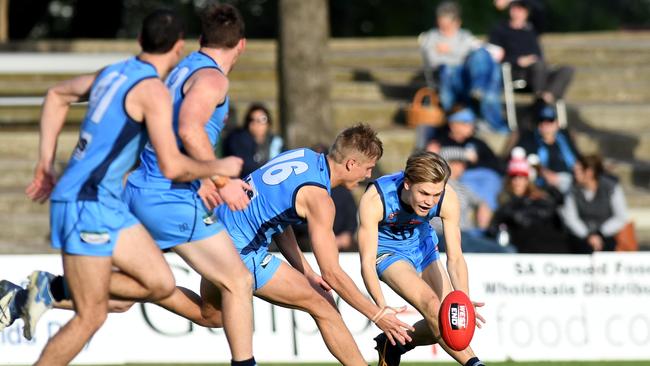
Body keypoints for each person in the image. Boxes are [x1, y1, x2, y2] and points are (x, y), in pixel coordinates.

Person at [3, 9, 244, 366]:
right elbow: (172, 165)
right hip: (86, 201)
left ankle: (46, 290)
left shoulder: (114, 73)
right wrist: (218, 170)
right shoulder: (153, 92)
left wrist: (45, 162)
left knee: (159, 284)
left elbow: (56, 95)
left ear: (139, 42)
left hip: (107, 200)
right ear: (179, 47)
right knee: (93, 314)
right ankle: (46, 292)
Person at [357, 151, 486, 366]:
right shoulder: (376, 199)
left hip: (424, 247)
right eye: (424, 193)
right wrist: (381, 308)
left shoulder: (448, 197)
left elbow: (455, 257)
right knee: (433, 306)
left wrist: (462, 299)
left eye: (436, 195)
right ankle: (474, 364)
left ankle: (395, 344)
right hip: (388, 252)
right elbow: (367, 262)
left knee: (450, 316)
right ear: (407, 183)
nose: (430, 202)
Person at [419, 1, 508, 133]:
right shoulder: (431, 37)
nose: (444, 26)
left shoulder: (464, 35)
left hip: (466, 76)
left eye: (448, 23)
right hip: (445, 78)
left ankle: (479, 89)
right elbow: (434, 61)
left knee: (483, 55)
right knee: (449, 70)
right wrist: (458, 54)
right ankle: (480, 102)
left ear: (456, 22)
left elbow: (474, 54)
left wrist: (448, 51)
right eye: (442, 22)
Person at [489, 0, 574, 108]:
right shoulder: (500, 30)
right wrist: (518, 60)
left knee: (567, 70)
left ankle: (543, 101)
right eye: (515, 8)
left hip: (540, 70)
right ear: (510, 10)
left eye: (522, 9)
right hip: (518, 72)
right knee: (539, 65)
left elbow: (540, 9)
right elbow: (493, 56)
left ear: (527, 12)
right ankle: (543, 108)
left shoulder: (532, 29)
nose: (518, 12)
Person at [433, 147, 515, 253]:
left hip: (463, 235)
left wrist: (483, 210)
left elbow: (481, 203)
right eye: (458, 163)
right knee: (506, 251)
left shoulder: (463, 187)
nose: (462, 167)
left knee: (506, 248)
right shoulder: (435, 186)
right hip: (441, 234)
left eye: (463, 163)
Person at [489, 152, 569, 253]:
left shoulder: (542, 198)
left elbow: (554, 216)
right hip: (523, 248)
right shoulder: (505, 204)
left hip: (548, 245)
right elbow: (494, 228)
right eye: (514, 177)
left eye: (522, 177)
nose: (517, 181)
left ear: (528, 180)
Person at [432, 108, 505, 210]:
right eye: (465, 122)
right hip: (460, 179)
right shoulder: (440, 142)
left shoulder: (477, 142)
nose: (471, 126)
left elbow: (495, 165)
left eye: (472, 122)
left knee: (487, 197)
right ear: (452, 124)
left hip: (488, 177)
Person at [560, 154, 630, 254]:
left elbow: (621, 216)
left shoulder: (611, 187)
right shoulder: (572, 189)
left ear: (589, 172)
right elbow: (571, 218)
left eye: (577, 171)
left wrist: (600, 233)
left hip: (607, 236)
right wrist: (588, 235)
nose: (574, 174)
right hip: (580, 237)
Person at [514, 104, 579, 193]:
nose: (545, 125)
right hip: (543, 184)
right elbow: (524, 160)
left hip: (569, 179)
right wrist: (545, 173)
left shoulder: (564, 137)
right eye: (542, 121)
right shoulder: (530, 139)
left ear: (557, 124)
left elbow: (577, 159)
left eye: (549, 121)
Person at [222, 102, 284, 178]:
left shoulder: (276, 142)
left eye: (262, 119)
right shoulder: (238, 141)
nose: (256, 123)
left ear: (268, 123)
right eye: (252, 120)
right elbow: (246, 168)